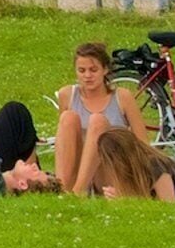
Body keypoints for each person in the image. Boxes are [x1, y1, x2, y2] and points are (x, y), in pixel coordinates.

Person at [49, 40, 149, 193]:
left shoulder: (123, 97)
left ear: (105, 70)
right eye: (81, 71)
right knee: (68, 118)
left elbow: (143, 144)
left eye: (93, 70)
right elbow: (64, 140)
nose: (87, 76)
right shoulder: (67, 95)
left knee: (98, 121)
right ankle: (62, 189)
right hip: (79, 167)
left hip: (111, 166)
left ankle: (78, 193)